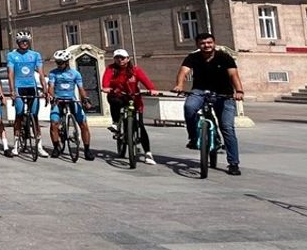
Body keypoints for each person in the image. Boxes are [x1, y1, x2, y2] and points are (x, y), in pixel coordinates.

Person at [172, 32, 244, 175]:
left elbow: (233, 75)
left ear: (214, 43)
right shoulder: (193, 57)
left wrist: (239, 91)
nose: (206, 45)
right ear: (198, 45)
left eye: (209, 43)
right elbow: (183, 72)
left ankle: (233, 163)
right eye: (203, 43)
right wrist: (179, 85)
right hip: (200, 91)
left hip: (224, 94)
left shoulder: (224, 57)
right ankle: (193, 137)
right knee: (189, 107)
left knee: (227, 128)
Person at [102, 49, 157, 165]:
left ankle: (148, 153)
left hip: (134, 98)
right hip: (118, 95)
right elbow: (106, 79)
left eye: (122, 58)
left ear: (128, 59)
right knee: (114, 101)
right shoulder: (111, 68)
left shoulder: (135, 70)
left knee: (141, 126)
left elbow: (145, 80)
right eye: (117, 58)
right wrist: (106, 87)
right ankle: (116, 123)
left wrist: (152, 89)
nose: (120, 60)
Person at [45, 50, 93, 160]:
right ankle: (56, 147)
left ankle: (87, 150)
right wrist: (52, 97)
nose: (59, 64)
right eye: (57, 62)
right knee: (54, 123)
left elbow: (81, 88)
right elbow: (51, 87)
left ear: (67, 62)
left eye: (61, 62)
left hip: (72, 100)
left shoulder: (75, 73)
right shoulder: (53, 73)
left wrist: (85, 99)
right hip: (58, 100)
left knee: (84, 124)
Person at [6, 31, 48, 158]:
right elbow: (11, 74)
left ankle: (39, 145)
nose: (24, 43)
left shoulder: (35, 55)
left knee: (34, 115)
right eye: (22, 41)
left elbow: (40, 73)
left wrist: (45, 89)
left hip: (31, 87)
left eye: (26, 41)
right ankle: (16, 144)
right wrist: (12, 90)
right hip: (19, 87)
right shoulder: (12, 55)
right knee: (18, 114)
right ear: (18, 43)